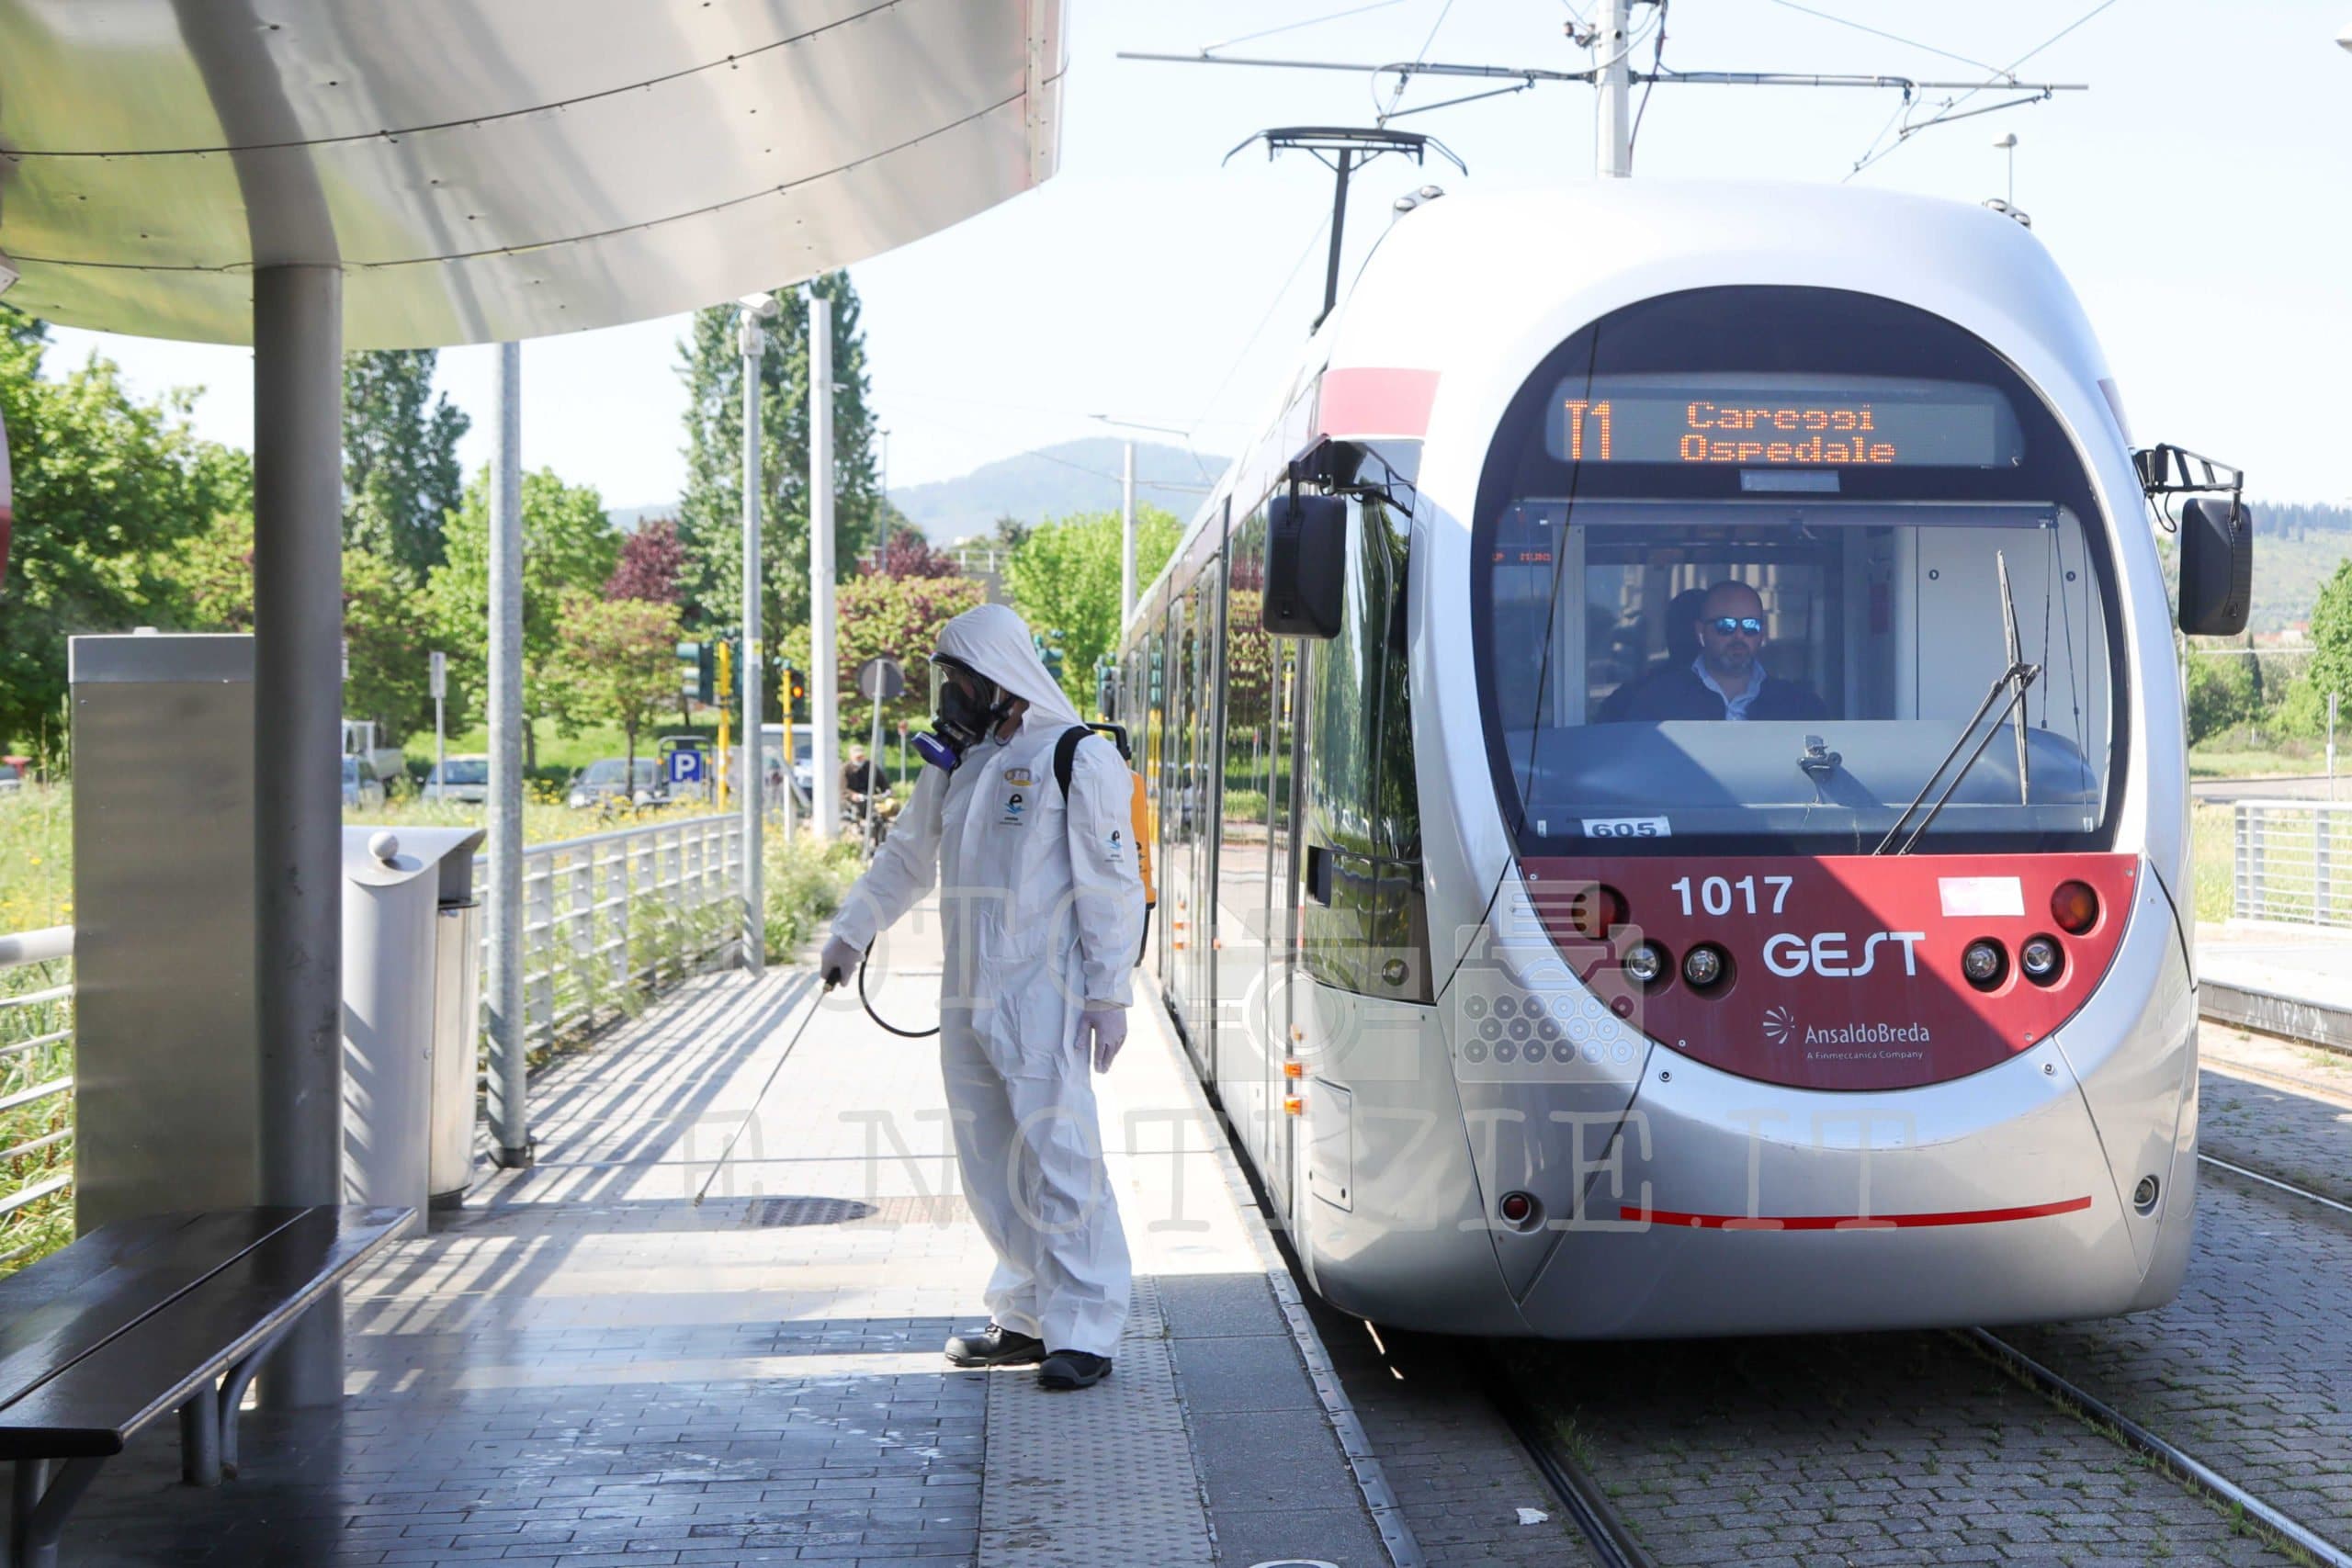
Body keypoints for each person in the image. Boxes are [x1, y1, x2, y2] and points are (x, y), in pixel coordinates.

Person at [819, 604, 1145, 1392]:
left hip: (1044, 994)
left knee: (1059, 1157)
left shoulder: (1077, 757)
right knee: (990, 1160)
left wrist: (1109, 992)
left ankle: (1085, 1327)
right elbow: (907, 856)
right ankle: (1026, 1313)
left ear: (1000, 674)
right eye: (948, 677)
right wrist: (852, 932)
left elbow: (1111, 882)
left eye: (961, 677)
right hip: (967, 993)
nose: (953, 693)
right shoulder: (959, 763)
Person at [1603, 579, 1826, 722]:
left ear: (1762, 633)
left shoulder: (1800, 705)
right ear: (1701, 631)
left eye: (1750, 626)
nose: (1739, 636)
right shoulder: (1655, 701)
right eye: (1725, 626)